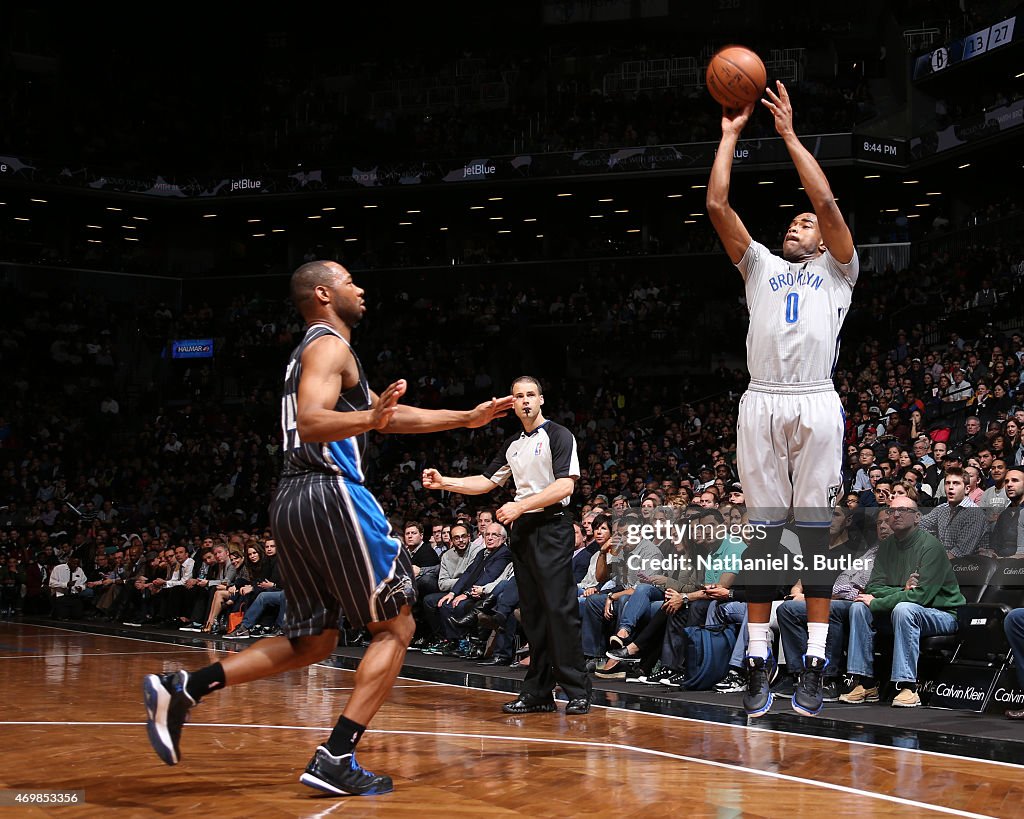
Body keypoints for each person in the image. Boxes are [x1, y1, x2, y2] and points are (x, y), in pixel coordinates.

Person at [143, 260, 513, 797]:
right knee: (397, 625)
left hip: (293, 498)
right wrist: (368, 419)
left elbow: (386, 416)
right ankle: (337, 755)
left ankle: (183, 688)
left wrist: (464, 418)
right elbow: (315, 420)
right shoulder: (327, 345)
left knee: (313, 641)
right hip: (331, 490)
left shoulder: (322, 353)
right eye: (349, 282)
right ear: (323, 293)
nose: (361, 289)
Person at [706, 80, 859, 718]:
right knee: (768, 537)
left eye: (807, 222)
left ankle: (817, 665)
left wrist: (791, 135)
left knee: (815, 537)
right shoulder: (761, 266)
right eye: (793, 220)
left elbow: (824, 197)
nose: (800, 223)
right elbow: (717, 205)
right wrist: (730, 136)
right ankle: (758, 664)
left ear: (823, 238)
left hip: (815, 400)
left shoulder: (839, 268)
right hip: (761, 401)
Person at [422, 375, 593, 715]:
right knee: (531, 614)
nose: (526, 400)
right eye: (519, 396)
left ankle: (577, 690)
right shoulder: (513, 445)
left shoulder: (559, 435)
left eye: (531, 394)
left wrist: (520, 506)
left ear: (541, 399)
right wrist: (446, 482)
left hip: (552, 525)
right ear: (512, 404)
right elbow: (486, 482)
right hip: (524, 530)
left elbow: (565, 487)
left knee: (559, 610)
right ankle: (539, 692)